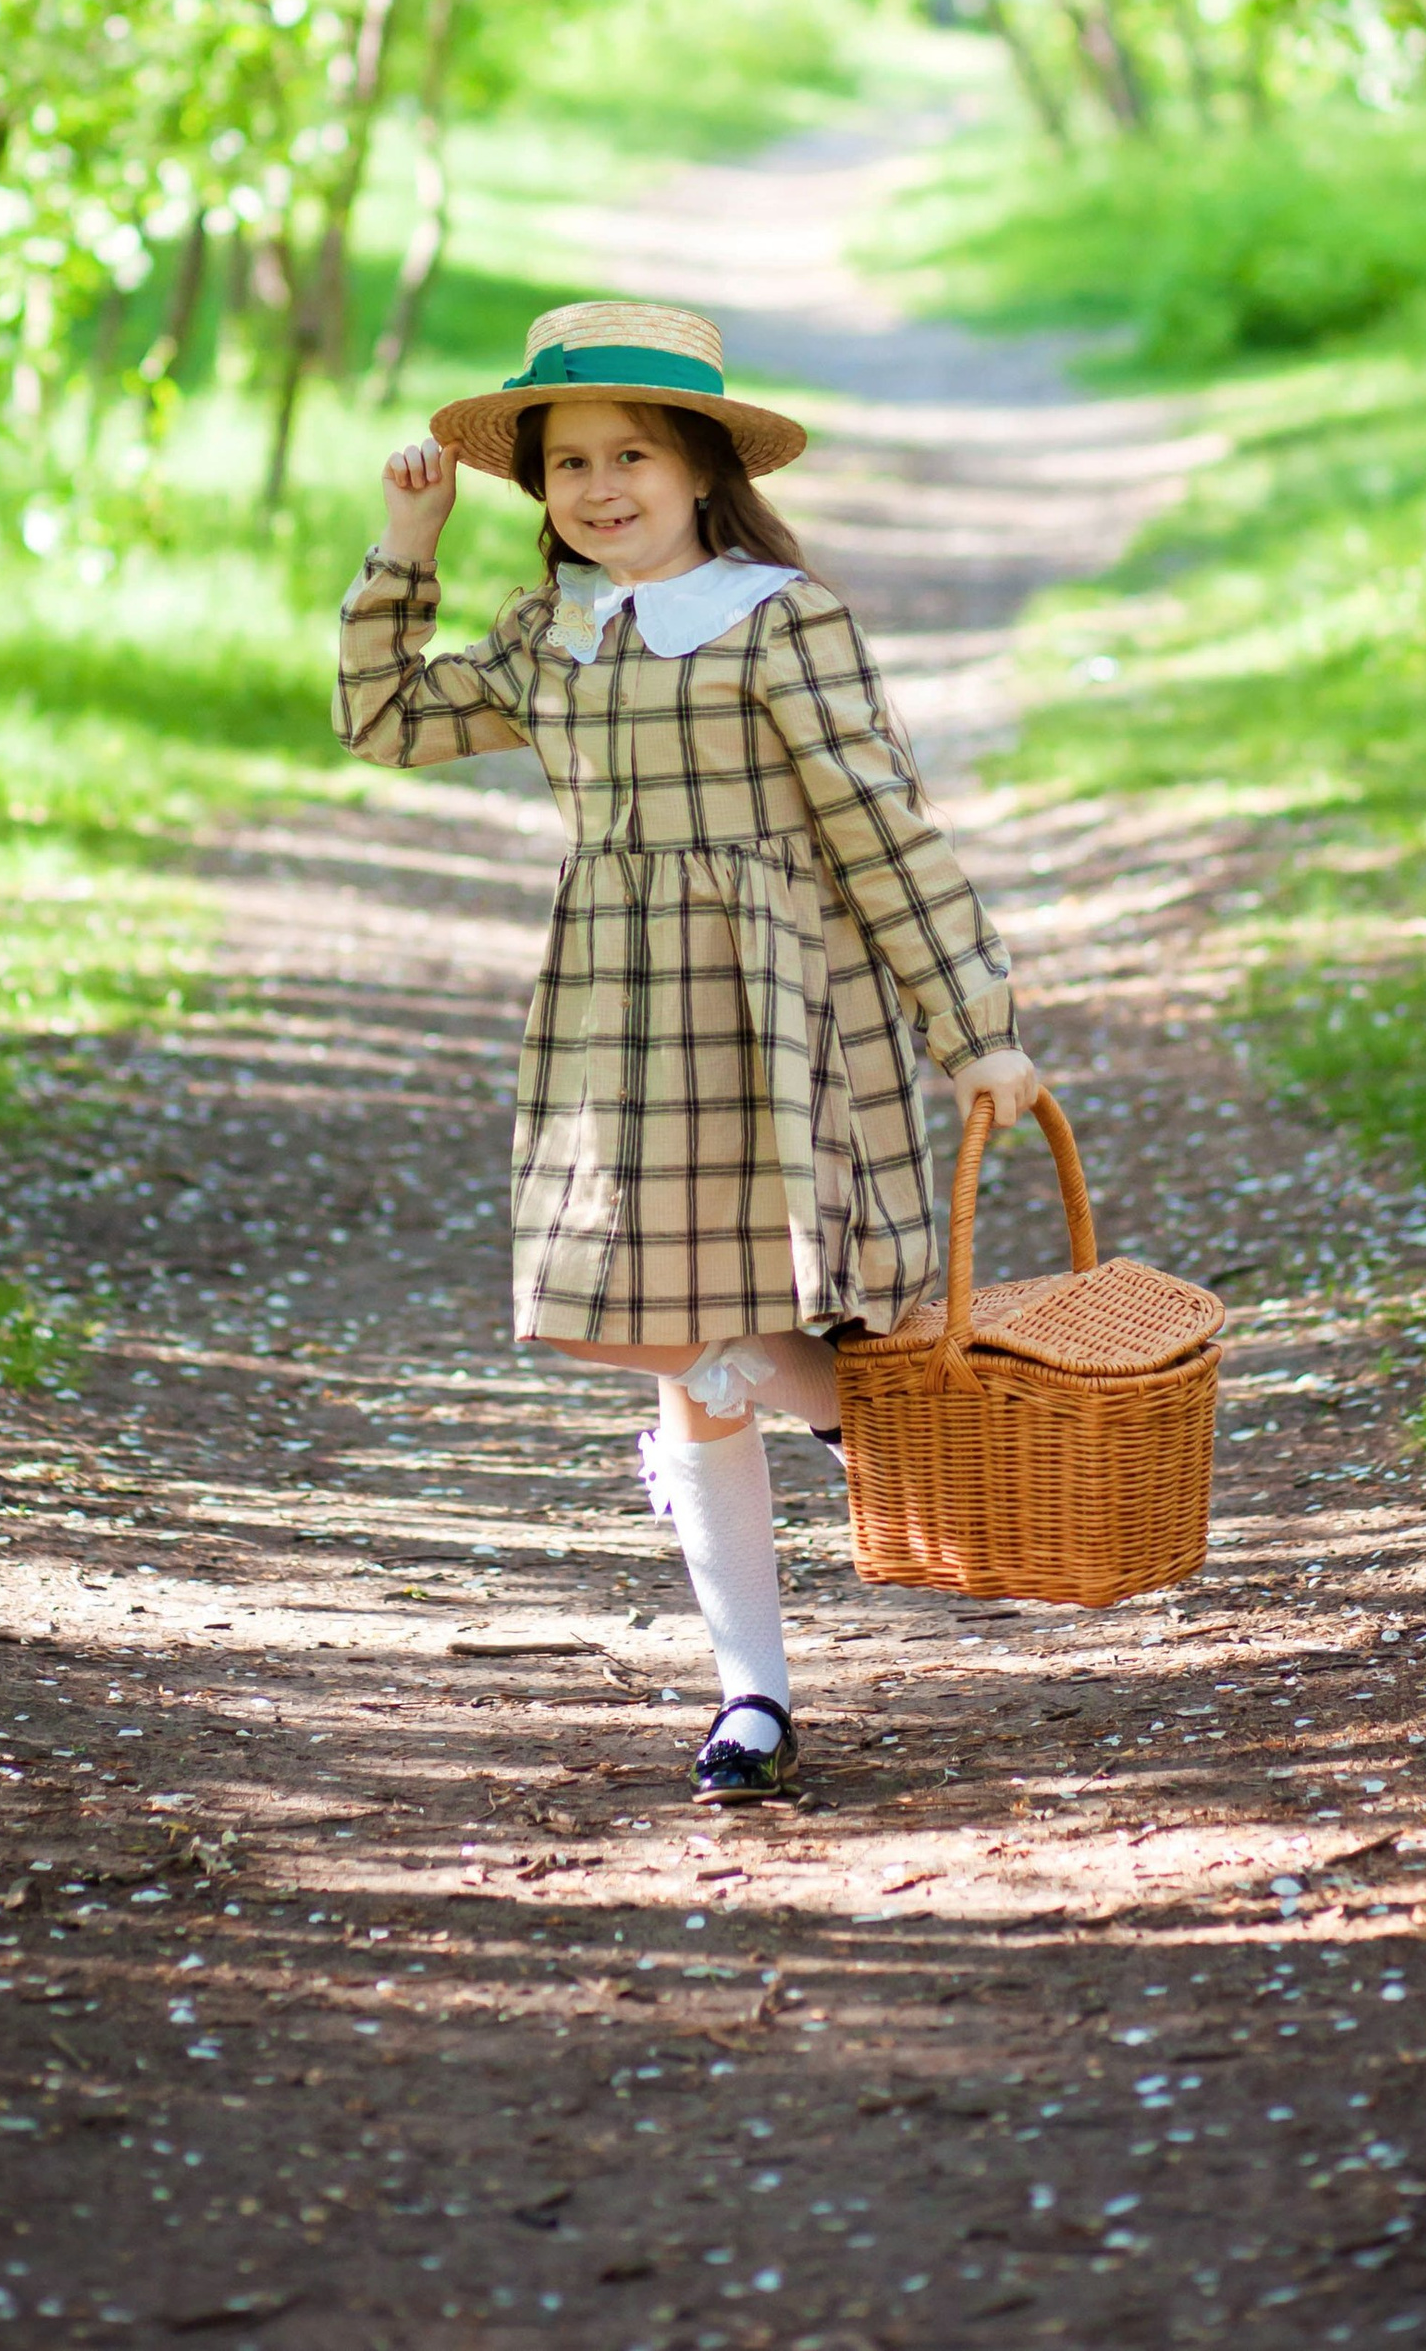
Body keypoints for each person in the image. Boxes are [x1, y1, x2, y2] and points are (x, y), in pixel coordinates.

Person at [334, 299, 1043, 1801]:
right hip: (617, 1024)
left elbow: (881, 825)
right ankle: (764, 1671)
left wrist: (975, 1029)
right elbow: (384, 718)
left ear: (704, 466)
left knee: (695, 1357)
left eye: (634, 455)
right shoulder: (552, 633)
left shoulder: (779, 619)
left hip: (778, 1012)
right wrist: (410, 539)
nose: (602, 488)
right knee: (637, 1326)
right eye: (571, 461)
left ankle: (791, 1627)